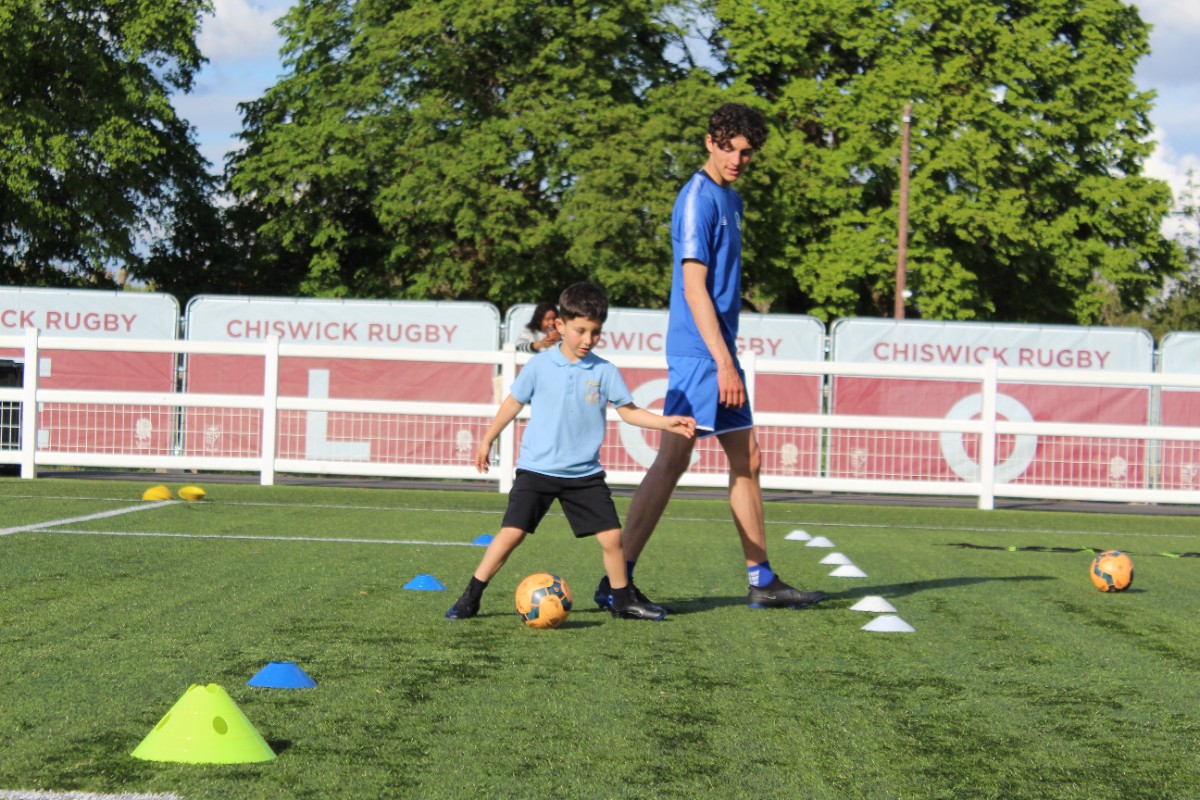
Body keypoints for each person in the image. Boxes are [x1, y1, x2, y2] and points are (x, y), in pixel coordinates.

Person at [595, 103, 826, 612]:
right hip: (704, 352)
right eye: (731, 148)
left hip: (718, 350)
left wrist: (727, 357)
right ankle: (618, 582)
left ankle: (761, 579)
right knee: (674, 456)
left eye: (747, 152)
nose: (739, 159)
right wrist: (722, 361)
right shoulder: (698, 198)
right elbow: (694, 288)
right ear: (710, 142)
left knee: (746, 459)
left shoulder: (731, 199)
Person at [446, 281, 696, 622]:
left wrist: (667, 423)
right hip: (537, 470)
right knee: (511, 534)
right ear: (560, 325)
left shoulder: (605, 371)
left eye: (595, 332)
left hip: (583, 475)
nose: (587, 340)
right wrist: (488, 438)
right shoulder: (539, 366)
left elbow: (628, 411)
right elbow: (513, 402)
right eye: (580, 330)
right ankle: (470, 597)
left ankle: (621, 601)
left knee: (611, 538)